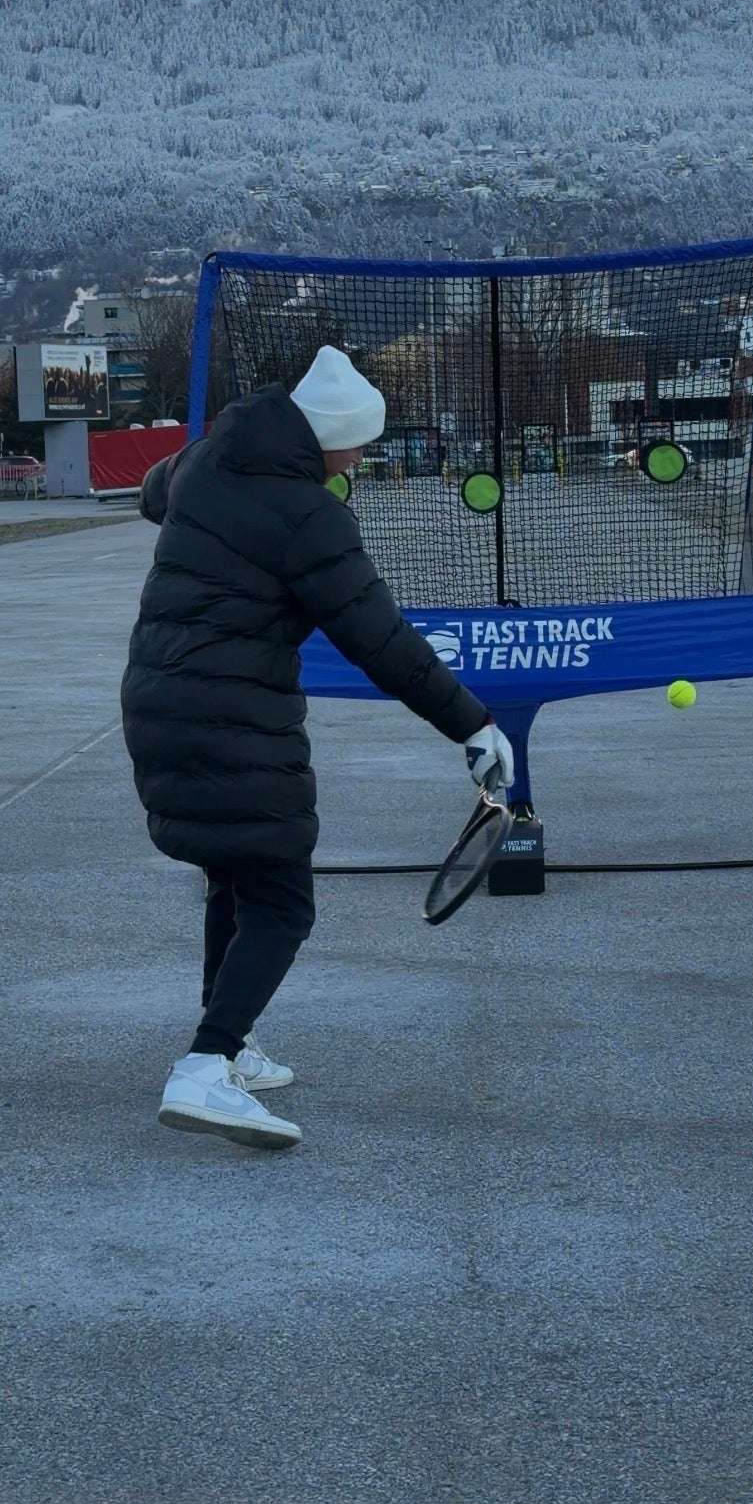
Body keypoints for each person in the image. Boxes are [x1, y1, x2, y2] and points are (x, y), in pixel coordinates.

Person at [122, 346, 513, 1152]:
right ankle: (204, 1066)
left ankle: (234, 1045)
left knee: (236, 872)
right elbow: (383, 641)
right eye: (358, 445)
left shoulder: (207, 458)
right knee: (284, 901)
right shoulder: (308, 515)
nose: (361, 460)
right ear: (331, 439)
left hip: (161, 700)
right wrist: (472, 725)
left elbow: (151, 491)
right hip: (231, 716)